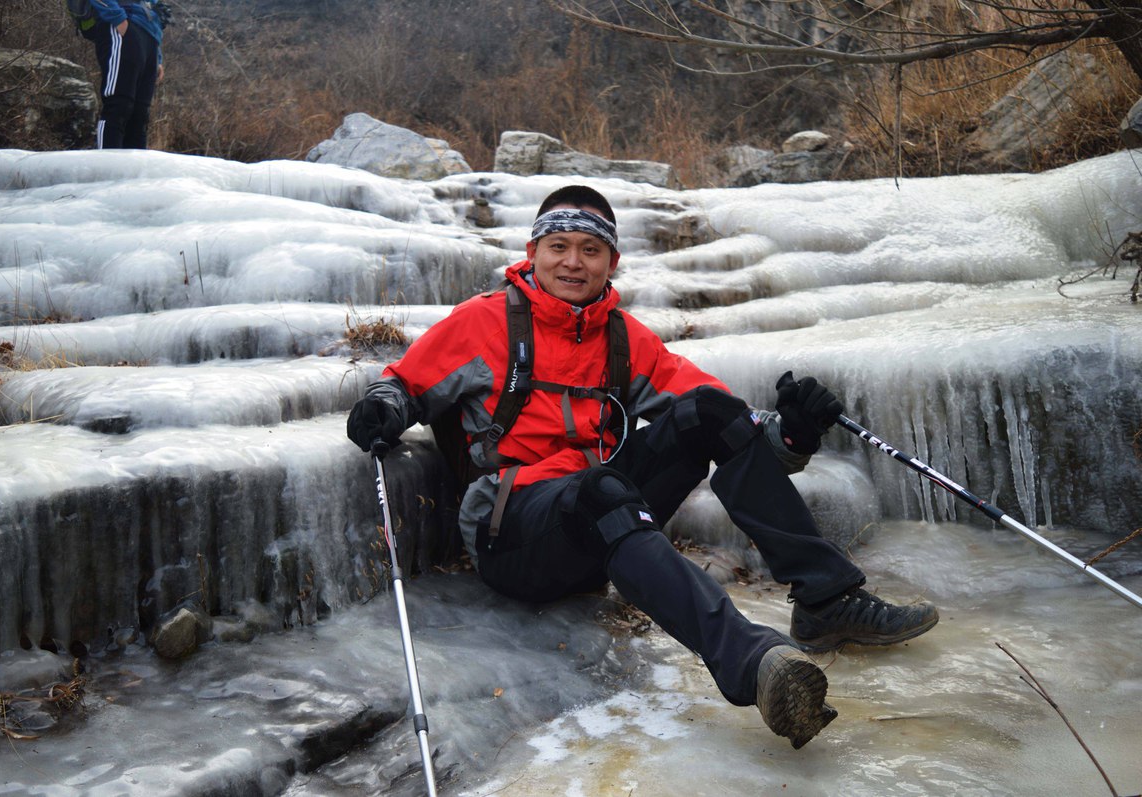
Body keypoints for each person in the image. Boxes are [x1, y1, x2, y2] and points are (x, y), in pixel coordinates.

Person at [347, 185, 938, 749]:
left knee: (707, 411)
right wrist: (382, 407)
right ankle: (755, 663)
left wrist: (790, 431)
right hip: (512, 531)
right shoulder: (483, 322)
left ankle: (826, 599)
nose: (573, 262)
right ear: (532, 252)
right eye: (559, 246)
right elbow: (405, 384)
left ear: (612, 262)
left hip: (602, 517)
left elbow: (725, 416)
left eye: (590, 249)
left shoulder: (623, 338)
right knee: (603, 488)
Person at [88, 0, 167, 149]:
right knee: (118, 106)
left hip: (149, 37)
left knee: (140, 115)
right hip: (124, 24)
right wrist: (118, 19)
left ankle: (132, 165)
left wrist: (157, 55)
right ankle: (106, 163)